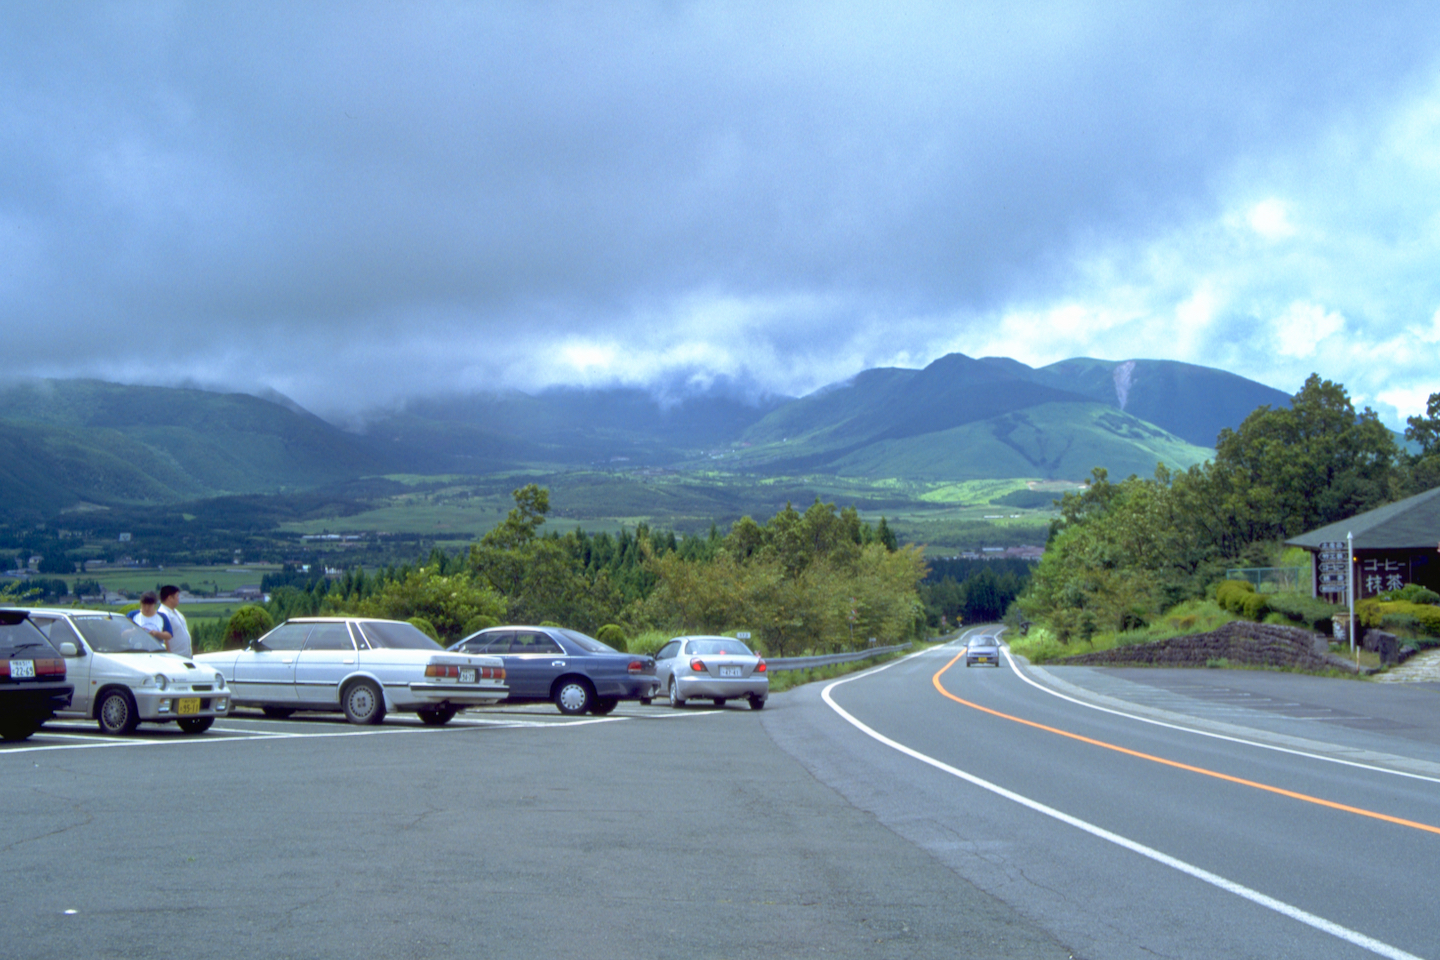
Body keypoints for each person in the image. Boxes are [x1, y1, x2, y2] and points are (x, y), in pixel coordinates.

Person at [159, 584, 192, 657]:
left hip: (185, 656)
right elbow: (164, 638)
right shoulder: (163, 614)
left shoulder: (177, 612)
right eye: (177, 596)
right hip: (175, 657)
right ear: (170, 598)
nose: (179, 598)